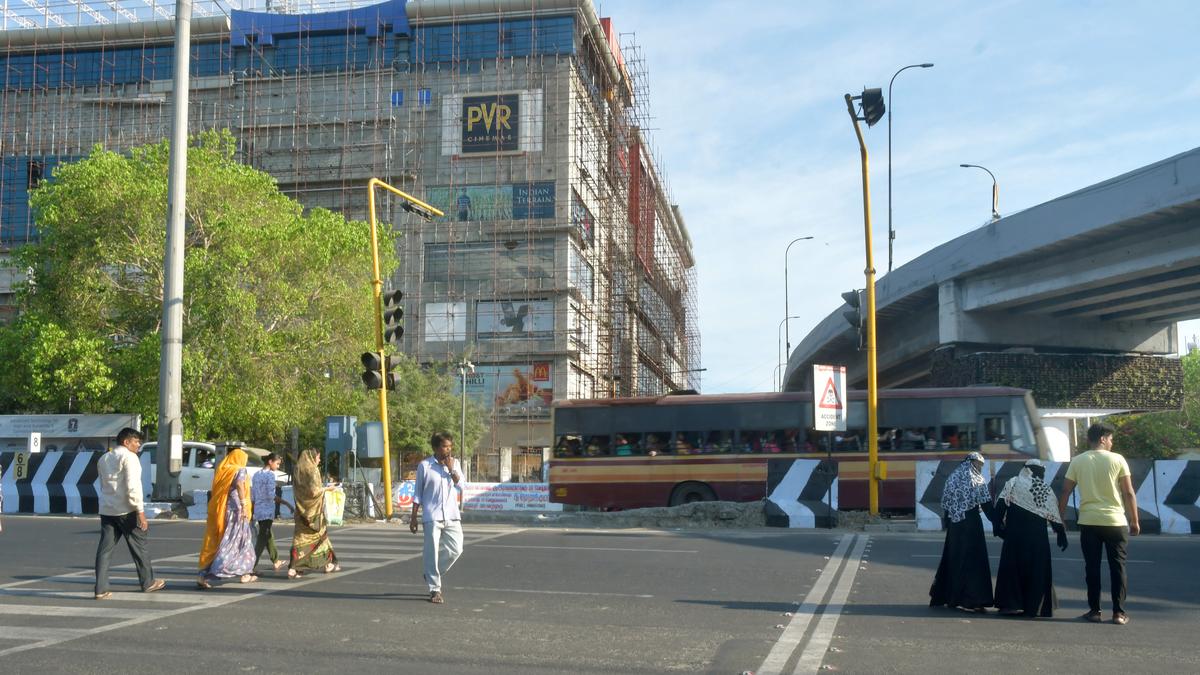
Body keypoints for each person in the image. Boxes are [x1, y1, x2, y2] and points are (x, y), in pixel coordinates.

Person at [1058, 422, 1139, 625]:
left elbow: (1065, 491)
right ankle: (1119, 613)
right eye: (1110, 439)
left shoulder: (1077, 461)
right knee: (1118, 568)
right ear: (1102, 439)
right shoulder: (1118, 459)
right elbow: (1129, 493)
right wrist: (1135, 520)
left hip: (1089, 522)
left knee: (1092, 567)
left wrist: (1060, 518)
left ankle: (1094, 611)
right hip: (1115, 522)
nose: (1112, 443)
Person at [95, 428, 165, 600]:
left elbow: (103, 484)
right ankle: (148, 582)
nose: (138, 445)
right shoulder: (130, 457)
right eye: (136, 441)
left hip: (107, 509)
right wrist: (140, 512)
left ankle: (100, 589)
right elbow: (133, 486)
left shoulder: (104, 458)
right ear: (126, 442)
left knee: (105, 550)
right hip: (127, 510)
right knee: (139, 547)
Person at [993, 459, 1068, 617]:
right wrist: (1061, 534)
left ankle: (1010, 605)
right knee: (1037, 570)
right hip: (1037, 539)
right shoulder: (1044, 488)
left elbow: (1000, 506)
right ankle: (1035, 607)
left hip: (1014, 536)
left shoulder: (1013, 483)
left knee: (1012, 570)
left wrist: (997, 528)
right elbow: (1053, 514)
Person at [929, 452, 996, 613]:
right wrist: (998, 523)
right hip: (971, 525)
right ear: (973, 463)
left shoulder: (953, 477)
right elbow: (986, 504)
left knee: (954, 559)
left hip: (955, 526)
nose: (980, 468)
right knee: (974, 562)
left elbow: (946, 504)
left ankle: (951, 598)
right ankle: (974, 600)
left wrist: (948, 525)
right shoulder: (977, 479)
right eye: (979, 464)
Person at [410, 432, 464, 604]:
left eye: (450, 446)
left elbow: (461, 485)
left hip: (452, 515)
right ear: (435, 448)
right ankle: (435, 589)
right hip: (432, 515)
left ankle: (431, 573)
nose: (448, 450)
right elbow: (418, 493)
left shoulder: (455, 464)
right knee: (431, 552)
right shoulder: (425, 466)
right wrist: (413, 517)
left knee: (456, 549)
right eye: (444, 446)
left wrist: (451, 469)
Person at [197, 447, 258, 588]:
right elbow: (240, 485)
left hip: (223, 511)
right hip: (237, 512)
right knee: (240, 542)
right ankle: (239, 572)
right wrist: (244, 504)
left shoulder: (223, 469)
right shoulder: (239, 470)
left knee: (218, 541)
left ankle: (202, 574)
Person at [288, 448, 340, 577]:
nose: (319, 460)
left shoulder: (297, 470)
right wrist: (327, 489)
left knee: (299, 539)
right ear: (312, 458)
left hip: (301, 511)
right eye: (318, 457)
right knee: (321, 536)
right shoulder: (313, 470)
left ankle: (294, 568)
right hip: (314, 512)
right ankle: (329, 563)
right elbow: (314, 492)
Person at [252, 452, 294, 573]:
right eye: (277, 463)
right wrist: (287, 503)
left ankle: (276, 561)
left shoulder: (256, 475)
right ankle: (251, 565)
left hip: (259, 511)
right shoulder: (270, 475)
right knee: (262, 538)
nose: (278, 466)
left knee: (268, 535)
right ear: (270, 462)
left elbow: (253, 495)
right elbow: (272, 495)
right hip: (267, 511)